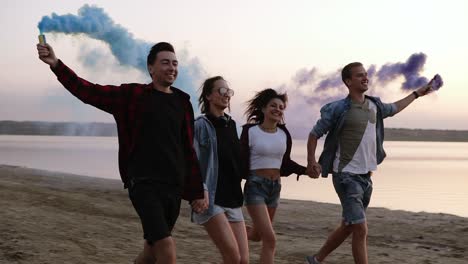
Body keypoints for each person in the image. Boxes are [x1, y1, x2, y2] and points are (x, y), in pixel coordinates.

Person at [36, 42, 207, 264]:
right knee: (166, 246)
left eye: (175, 63)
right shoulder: (132, 95)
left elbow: (187, 148)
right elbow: (88, 91)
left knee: (151, 249)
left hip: (173, 186)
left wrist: (196, 189)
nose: (171, 68)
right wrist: (56, 65)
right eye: (165, 62)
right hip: (144, 184)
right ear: (151, 68)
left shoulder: (182, 102)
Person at [305, 62, 432, 264]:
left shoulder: (375, 105)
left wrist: (417, 94)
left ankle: (316, 259)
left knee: (349, 225)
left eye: (365, 74)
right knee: (361, 228)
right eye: (359, 75)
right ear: (348, 81)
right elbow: (314, 135)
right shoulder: (338, 108)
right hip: (346, 176)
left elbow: (395, 107)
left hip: (366, 176)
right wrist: (311, 161)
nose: (365, 78)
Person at [240, 88, 306, 264]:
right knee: (271, 239)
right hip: (255, 187)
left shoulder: (284, 134)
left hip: (275, 187)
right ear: (263, 108)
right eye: (273, 106)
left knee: (257, 235)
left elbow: (285, 163)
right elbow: (239, 160)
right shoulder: (250, 131)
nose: (278, 109)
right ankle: (235, 231)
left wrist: (306, 170)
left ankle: (236, 230)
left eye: (281, 107)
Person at [192, 76, 249, 263]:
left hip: (233, 197)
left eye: (229, 92)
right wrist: (200, 189)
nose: (226, 95)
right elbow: (192, 160)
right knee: (232, 256)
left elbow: (236, 162)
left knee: (243, 260)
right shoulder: (200, 125)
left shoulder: (231, 125)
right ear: (208, 95)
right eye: (221, 91)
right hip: (211, 197)